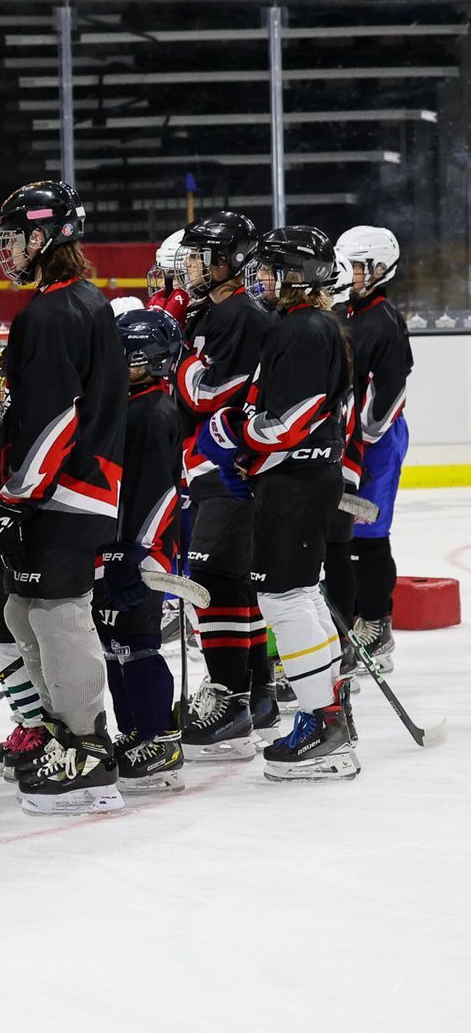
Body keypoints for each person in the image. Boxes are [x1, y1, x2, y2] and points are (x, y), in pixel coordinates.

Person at [0, 180, 128, 816]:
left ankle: (88, 743)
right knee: (23, 614)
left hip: (65, 495)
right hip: (60, 492)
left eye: (15, 236)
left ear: (45, 238)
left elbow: (55, 421)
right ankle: (65, 729)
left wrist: (17, 497)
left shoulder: (55, 313)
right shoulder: (70, 303)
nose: (6, 250)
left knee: (60, 616)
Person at [194, 227, 356, 781]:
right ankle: (330, 708)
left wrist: (238, 433)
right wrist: (251, 454)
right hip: (299, 481)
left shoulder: (306, 329)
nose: (260, 276)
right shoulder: (304, 325)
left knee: (284, 599)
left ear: (301, 275)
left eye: (271, 267)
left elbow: (292, 419)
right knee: (300, 593)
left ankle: (323, 720)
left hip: (297, 484)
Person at [172, 211, 278, 757]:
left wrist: (181, 363)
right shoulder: (212, 312)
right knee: (232, 582)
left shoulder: (241, 315)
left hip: (229, 470)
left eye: (197, 256)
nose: (188, 266)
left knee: (215, 578)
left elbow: (210, 393)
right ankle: (257, 695)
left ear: (226, 261)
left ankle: (231, 699)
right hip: (209, 468)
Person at [101, 310, 188, 792]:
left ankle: (161, 738)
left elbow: (159, 494)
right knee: (114, 648)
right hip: (120, 548)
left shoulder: (153, 412)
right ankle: (135, 731)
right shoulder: (131, 405)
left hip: (142, 553)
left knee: (136, 645)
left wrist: (135, 554)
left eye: (128, 357)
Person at [333, 225, 413, 671]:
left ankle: (377, 626)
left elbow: (390, 393)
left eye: (360, 266)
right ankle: (354, 618)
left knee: (367, 535)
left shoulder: (385, 321)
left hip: (375, 445)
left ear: (381, 269)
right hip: (347, 443)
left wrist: (362, 438)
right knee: (342, 537)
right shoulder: (344, 311)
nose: (353, 274)